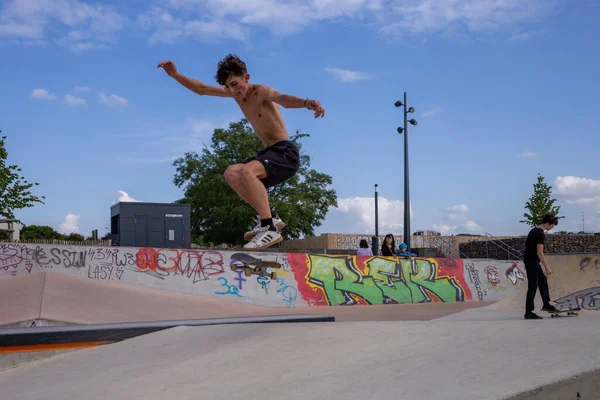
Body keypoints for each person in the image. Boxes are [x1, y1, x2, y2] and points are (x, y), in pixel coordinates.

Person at [157, 55, 325, 250]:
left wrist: (306, 103)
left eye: (235, 84)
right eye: (228, 87)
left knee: (248, 171)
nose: (233, 91)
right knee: (232, 173)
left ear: (246, 77)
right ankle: (271, 217)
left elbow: (283, 99)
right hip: (269, 153)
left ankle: (268, 228)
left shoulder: (260, 91)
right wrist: (175, 75)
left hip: (285, 153)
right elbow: (201, 89)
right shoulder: (234, 94)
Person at [522, 213, 560, 319]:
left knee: (543, 281)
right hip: (533, 261)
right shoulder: (540, 233)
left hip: (530, 261)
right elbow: (540, 252)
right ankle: (528, 312)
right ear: (548, 223)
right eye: (552, 225)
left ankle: (546, 304)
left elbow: (527, 248)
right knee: (532, 286)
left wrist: (526, 263)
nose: (552, 228)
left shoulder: (533, 230)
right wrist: (547, 267)